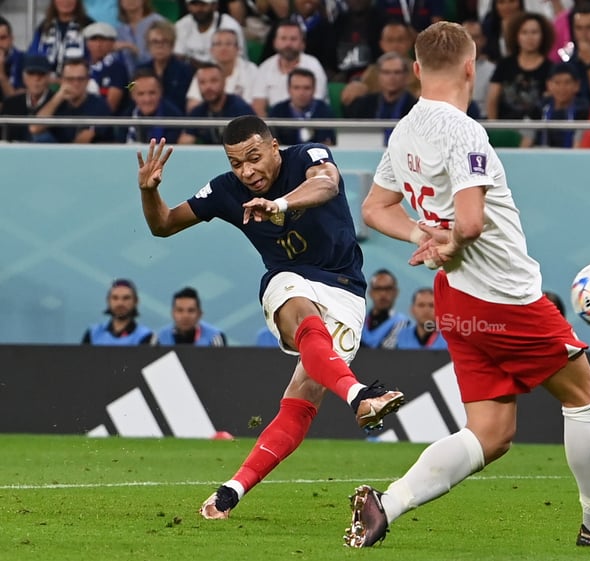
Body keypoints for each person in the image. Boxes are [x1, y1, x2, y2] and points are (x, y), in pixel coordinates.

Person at [347, 21, 590, 549]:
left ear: (419, 70)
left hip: (456, 299)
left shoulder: (403, 130)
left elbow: (375, 208)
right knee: (586, 395)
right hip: (504, 297)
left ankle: (388, 503)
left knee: (491, 435)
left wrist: (422, 233)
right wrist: (447, 238)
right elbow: (470, 223)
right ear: (472, 67)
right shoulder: (464, 130)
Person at [134, 114, 405, 520]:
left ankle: (229, 493)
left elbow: (327, 183)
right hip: (290, 281)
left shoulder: (307, 156)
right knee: (295, 301)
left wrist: (278, 205)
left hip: (346, 291)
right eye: (236, 163)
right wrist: (148, 192)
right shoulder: (226, 190)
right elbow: (163, 224)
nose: (246, 172)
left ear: (274, 146)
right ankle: (359, 396)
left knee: (300, 402)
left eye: (254, 158)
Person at [252, 20, 329, 117]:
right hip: (275, 124)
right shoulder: (265, 67)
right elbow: (258, 106)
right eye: (283, 39)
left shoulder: (313, 66)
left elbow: (315, 105)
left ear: (302, 44)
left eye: (293, 39)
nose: (288, 44)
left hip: (310, 123)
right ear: (275, 43)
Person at [28, 57, 113, 143]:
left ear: (87, 81)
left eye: (80, 79)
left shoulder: (99, 105)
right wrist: (58, 97)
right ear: (62, 80)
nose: (75, 84)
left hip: (91, 153)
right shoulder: (54, 101)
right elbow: (34, 128)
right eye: (70, 79)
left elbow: (84, 139)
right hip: (57, 152)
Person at [178, 62, 256, 145]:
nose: (208, 87)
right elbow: (184, 142)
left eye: (213, 81)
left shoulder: (240, 109)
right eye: (202, 82)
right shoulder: (198, 111)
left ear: (224, 82)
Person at [267, 67, 336, 146]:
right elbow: (273, 145)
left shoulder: (324, 110)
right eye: (296, 88)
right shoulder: (277, 111)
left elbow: (327, 143)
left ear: (314, 90)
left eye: (307, 88)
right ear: (289, 89)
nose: (301, 93)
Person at [138, 20, 195, 113]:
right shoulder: (139, 70)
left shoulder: (185, 71)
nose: (160, 46)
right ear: (148, 45)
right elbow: (130, 88)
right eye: (155, 42)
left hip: (176, 120)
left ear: (172, 45)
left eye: (164, 41)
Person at [117, 68, 185, 143]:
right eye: (141, 94)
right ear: (132, 95)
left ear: (160, 92)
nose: (147, 99)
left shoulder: (174, 118)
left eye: (152, 93)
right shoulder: (125, 118)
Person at [27, 0, 94, 77]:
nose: (66, 2)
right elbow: (33, 56)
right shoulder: (44, 27)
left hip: (78, 81)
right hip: (47, 82)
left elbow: (93, 60)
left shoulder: (89, 27)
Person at [81, 279, 157, 345]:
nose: (120, 303)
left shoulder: (146, 336)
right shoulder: (93, 333)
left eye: (126, 298)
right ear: (108, 301)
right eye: (115, 298)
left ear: (136, 301)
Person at [534, 62, 590, 148]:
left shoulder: (584, 111)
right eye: (557, 82)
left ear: (577, 85)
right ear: (548, 85)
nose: (562, 88)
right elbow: (526, 143)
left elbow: (578, 147)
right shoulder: (539, 108)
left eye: (567, 82)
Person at [174, 0, 246, 66]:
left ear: (215, 6)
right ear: (188, 7)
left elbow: (235, 64)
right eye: (194, 4)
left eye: (203, 5)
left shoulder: (230, 27)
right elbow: (178, 57)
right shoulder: (182, 25)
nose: (199, 9)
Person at [0, 55, 54, 142]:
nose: (36, 79)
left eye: (41, 74)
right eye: (31, 74)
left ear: (48, 78)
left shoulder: (59, 103)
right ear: (24, 77)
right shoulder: (10, 104)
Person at [83, 22, 131, 114]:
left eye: (103, 40)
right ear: (87, 43)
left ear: (113, 43)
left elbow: (110, 107)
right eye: (94, 40)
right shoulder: (81, 66)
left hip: (106, 121)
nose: (98, 45)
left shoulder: (117, 68)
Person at [157, 286, 227, 346]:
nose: (185, 316)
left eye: (191, 310)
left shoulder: (214, 337)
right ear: (172, 314)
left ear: (200, 314)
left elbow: (221, 361)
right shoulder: (161, 338)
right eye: (180, 310)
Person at [360, 269, 410, 349]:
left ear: (396, 292)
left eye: (388, 289)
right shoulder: (360, 320)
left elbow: (384, 354)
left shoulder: (401, 322)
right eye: (378, 289)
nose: (383, 294)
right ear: (370, 292)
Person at [0, 16, 25, 104]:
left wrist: (1, 75)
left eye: (2, 38)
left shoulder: (24, 60)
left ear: (11, 39)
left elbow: (17, 103)